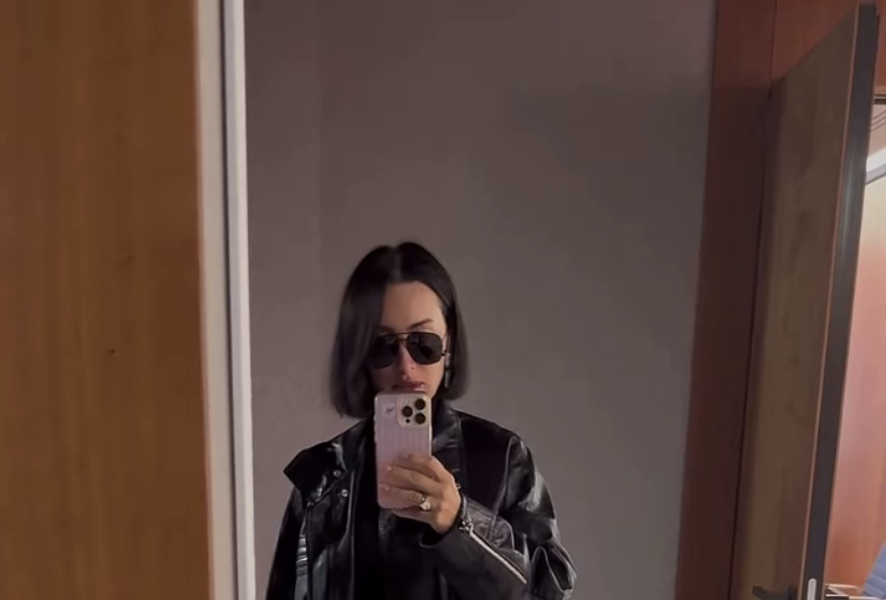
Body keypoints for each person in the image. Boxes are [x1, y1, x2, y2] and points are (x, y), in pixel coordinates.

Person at [266, 241, 576, 600]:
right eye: (383, 346)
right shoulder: (322, 476)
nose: (406, 366)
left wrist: (460, 522)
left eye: (423, 343)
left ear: (448, 347)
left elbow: (550, 591)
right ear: (360, 355)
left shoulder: (501, 458)